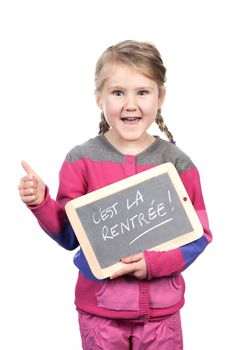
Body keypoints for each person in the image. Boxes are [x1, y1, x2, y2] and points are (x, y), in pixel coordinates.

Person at [18, 40, 212, 349]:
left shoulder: (176, 163)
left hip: (161, 317)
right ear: (99, 98)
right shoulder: (80, 160)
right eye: (118, 92)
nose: (130, 104)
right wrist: (41, 202)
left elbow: (199, 235)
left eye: (143, 92)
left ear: (160, 97)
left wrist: (153, 264)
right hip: (100, 314)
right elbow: (71, 236)